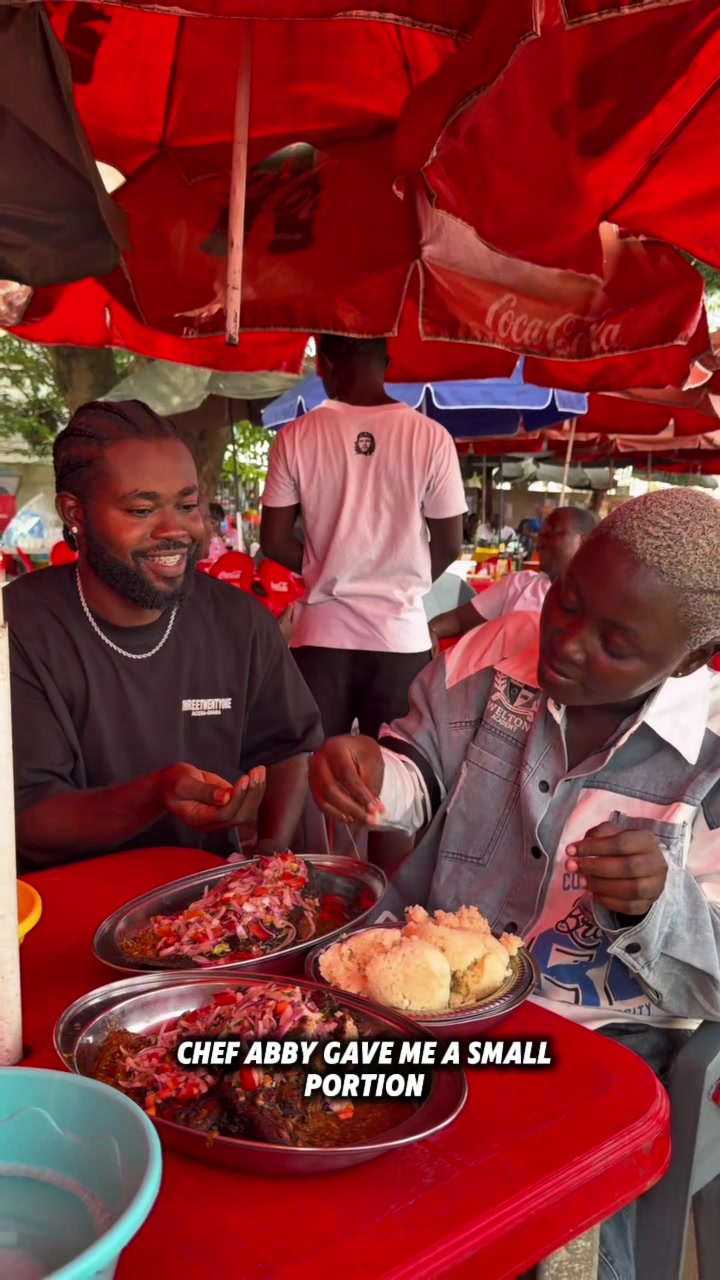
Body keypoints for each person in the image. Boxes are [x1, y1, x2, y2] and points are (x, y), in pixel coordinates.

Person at [309, 486, 720, 1280]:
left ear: (694, 659)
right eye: (567, 603)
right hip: (416, 998)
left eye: (618, 644)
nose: (566, 644)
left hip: (600, 1044)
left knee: (550, 1235)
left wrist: (656, 903)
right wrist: (370, 774)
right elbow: (419, 776)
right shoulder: (493, 656)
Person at [6, 399, 323, 874]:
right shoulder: (20, 626)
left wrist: (268, 853)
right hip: (62, 903)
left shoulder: (240, 622)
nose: (176, 530)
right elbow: (27, 817)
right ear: (75, 513)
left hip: (203, 904)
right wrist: (156, 795)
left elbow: (287, 747)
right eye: (141, 509)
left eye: (188, 504)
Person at [260, 334, 467, 742]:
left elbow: (274, 540)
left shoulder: (295, 436)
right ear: (387, 362)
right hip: (399, 641)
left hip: (319, 640)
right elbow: (449, 546)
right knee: (393, 785)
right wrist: (403, 581)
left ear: (323, 364)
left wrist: (329, 567)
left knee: (310, 777)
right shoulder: (431, 437)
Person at [429, 506, 599, 649]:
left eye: (552, 534)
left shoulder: (603, 602)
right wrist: (431, 631)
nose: (540, 543)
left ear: (583, 542)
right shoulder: (519, 584)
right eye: (541, 535)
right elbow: (458, 620)